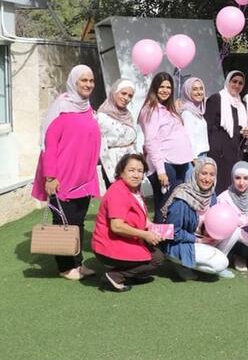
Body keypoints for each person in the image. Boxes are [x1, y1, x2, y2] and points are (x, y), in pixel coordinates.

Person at [32, 64, 101, 280]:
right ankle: (64, 267)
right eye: (84, 80)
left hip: (83, 177)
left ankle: (77, 264)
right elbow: (49, 146)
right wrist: (50, 177)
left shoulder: (87, 107)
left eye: (91, 81)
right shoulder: (61, 108)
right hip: (61, 179)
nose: (88, 84)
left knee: (78, 222)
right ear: (73, 82)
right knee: (64, 222)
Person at [92, 154, 164, 292]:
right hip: (109, 244)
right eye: (131, 170)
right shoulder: (118, 192)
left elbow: (142, 217)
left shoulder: (133, 190)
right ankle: (115, 276)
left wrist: (154, 228)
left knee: (158, 252)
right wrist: (145, 235)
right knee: (156, 259)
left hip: (123, 240)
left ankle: (132, 273)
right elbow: (116, 226)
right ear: (121, 171)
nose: (136, 175)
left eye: (140, 171)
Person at [162, 157, 233, 279]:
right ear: (195, 173)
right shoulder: (182, 198)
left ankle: (214, 260)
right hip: (182, 242)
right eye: (204, 173)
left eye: (212, 174)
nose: (207, 179)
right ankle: (182, 265)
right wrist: (198, 240)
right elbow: (172, 232)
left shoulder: (211, 195)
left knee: (234, 231)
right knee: (220, 263)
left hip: (204, 239)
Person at [138, 72, 194, 223]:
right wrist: (161, 172)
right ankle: (158, 241)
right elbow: (151, 141)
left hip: (179, 163)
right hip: (165, 165)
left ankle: (169, 239)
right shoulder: (151, 110)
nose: (165, 90)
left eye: (168, 87)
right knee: (164, 205)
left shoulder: (168, 109)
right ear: (155, 88)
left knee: (175, 205)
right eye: (161, 86)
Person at [204, 70, 248, 194]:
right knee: (219, 185)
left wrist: (245, 135)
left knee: (232, 185)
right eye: (234, 81)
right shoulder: (216, 99)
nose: (237, 85)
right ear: (228, 81)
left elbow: (239, 129)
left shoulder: (241, 105)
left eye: (240, 83)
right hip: (218, 152)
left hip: (235, 152)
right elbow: (207, 126)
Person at [97, 79, 138, 186]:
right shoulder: (102, 116)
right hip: (114, 166)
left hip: (131, 165)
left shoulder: (127, 115)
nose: (126, 98)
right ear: (115, 92)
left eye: (130, 96)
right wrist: (112, 174)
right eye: (123, 93)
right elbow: (102, 147)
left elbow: (133, 142)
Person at [179, 77, 209, 179]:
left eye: (201, 89)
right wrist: (194, 158)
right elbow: (189, 136)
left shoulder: (198, 112)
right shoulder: (187, 112)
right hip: (195, 159)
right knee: (193, 190)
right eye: (195, 89)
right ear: (188, 91)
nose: (199, 92)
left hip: (203, 156)